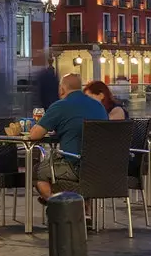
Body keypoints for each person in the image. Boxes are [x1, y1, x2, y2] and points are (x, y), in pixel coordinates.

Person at [28, 73, 107, 203]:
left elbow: (34, 135)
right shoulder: (99, 106)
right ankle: (83, 209)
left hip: (74, 166)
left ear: (62, 89)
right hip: (100, 167)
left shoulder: (60, 106)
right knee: (53, 170)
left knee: (37, 172)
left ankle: (63, 207)